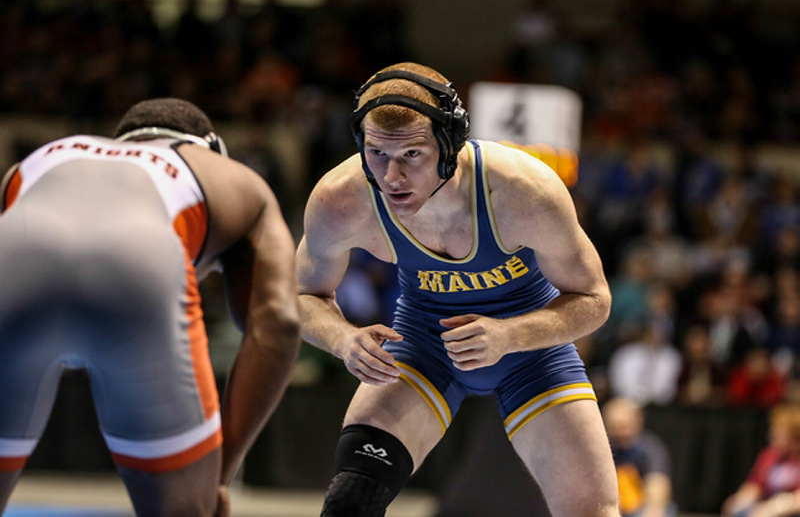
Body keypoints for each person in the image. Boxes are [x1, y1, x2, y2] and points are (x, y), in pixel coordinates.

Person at [296, 62, 619, 516]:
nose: (391, 177)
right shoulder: (342, 198)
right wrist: (342, 338)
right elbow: (302, 296)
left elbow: (595, 299)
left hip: (530, 349)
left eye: (412, 155)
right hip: (423, 344)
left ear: (450, 144)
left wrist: (511, 336)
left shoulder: (523, 191)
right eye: (376, 153)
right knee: (352, 499)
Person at [0, 98, 301, 516]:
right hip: (140, 265)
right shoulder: (231, 176)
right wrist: (214, 475)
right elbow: (281, 324)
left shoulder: (40, 161)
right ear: (210, 146)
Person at [721, 403, 800, 517]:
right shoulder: (769, 455)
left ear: (795, 438)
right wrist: (739, 500)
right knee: (738, 510)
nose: (772, 438)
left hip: (788, 509)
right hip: (765, 507)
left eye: (779, 435)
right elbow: (755, 485)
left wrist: (774, 508)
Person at [602, 397, 676, 517]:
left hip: (640, 509)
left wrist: (652, 512)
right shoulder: (603, 448)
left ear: (638, 422)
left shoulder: (651, 449)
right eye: (614, 427)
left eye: (624, 426)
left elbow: (657, 485)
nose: (620, 432)